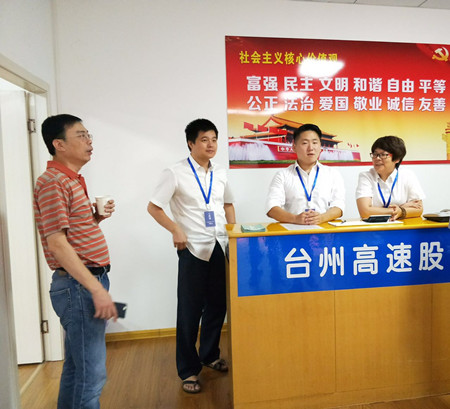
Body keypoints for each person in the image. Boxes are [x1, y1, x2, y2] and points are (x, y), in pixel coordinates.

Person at [33, 114, 117, 409]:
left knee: (76, 368)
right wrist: (95, 288)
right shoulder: (53, 182)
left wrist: (95, 218)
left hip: (83, 283)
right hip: (79, 286)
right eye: (81, 135)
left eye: (88, 135)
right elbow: (57, 243)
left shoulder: (71, 179)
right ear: (59, 144)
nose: (89, 141)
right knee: (91, 375)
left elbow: (69, 234)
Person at [147, 118, 235, 394]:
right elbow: (154, 207)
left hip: (218, 245)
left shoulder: (220, 173)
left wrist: (233, 235)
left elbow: (228, 205)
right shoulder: (175, 172)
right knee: (189, 311)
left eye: (214, 139)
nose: (210, 145)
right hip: (193, 248)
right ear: (190, 143)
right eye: (204, 140)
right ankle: (188, 370)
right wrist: (175, 229)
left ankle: (209, 355)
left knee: (217, 306)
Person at [266, 123, 345, 225]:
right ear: (294, 147)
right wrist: (295, 219)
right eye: (304, 143)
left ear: (320, 146)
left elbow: (339, 206)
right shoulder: (282, 175)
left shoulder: (333, 174)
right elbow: (271, 207)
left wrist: (321, 218)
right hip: (294, 231)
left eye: (315, 142)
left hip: (325, 230)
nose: (311, 148)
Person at [356, 135, 425, 220]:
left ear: (397, 159)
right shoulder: (366, 176)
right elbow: (364, 212)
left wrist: (400, 211)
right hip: (374, 226)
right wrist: (400, 209)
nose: (377, 158)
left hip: (402, 225)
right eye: (375, 154)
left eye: (383, 155)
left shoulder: (407, 175)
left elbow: (418, 209)